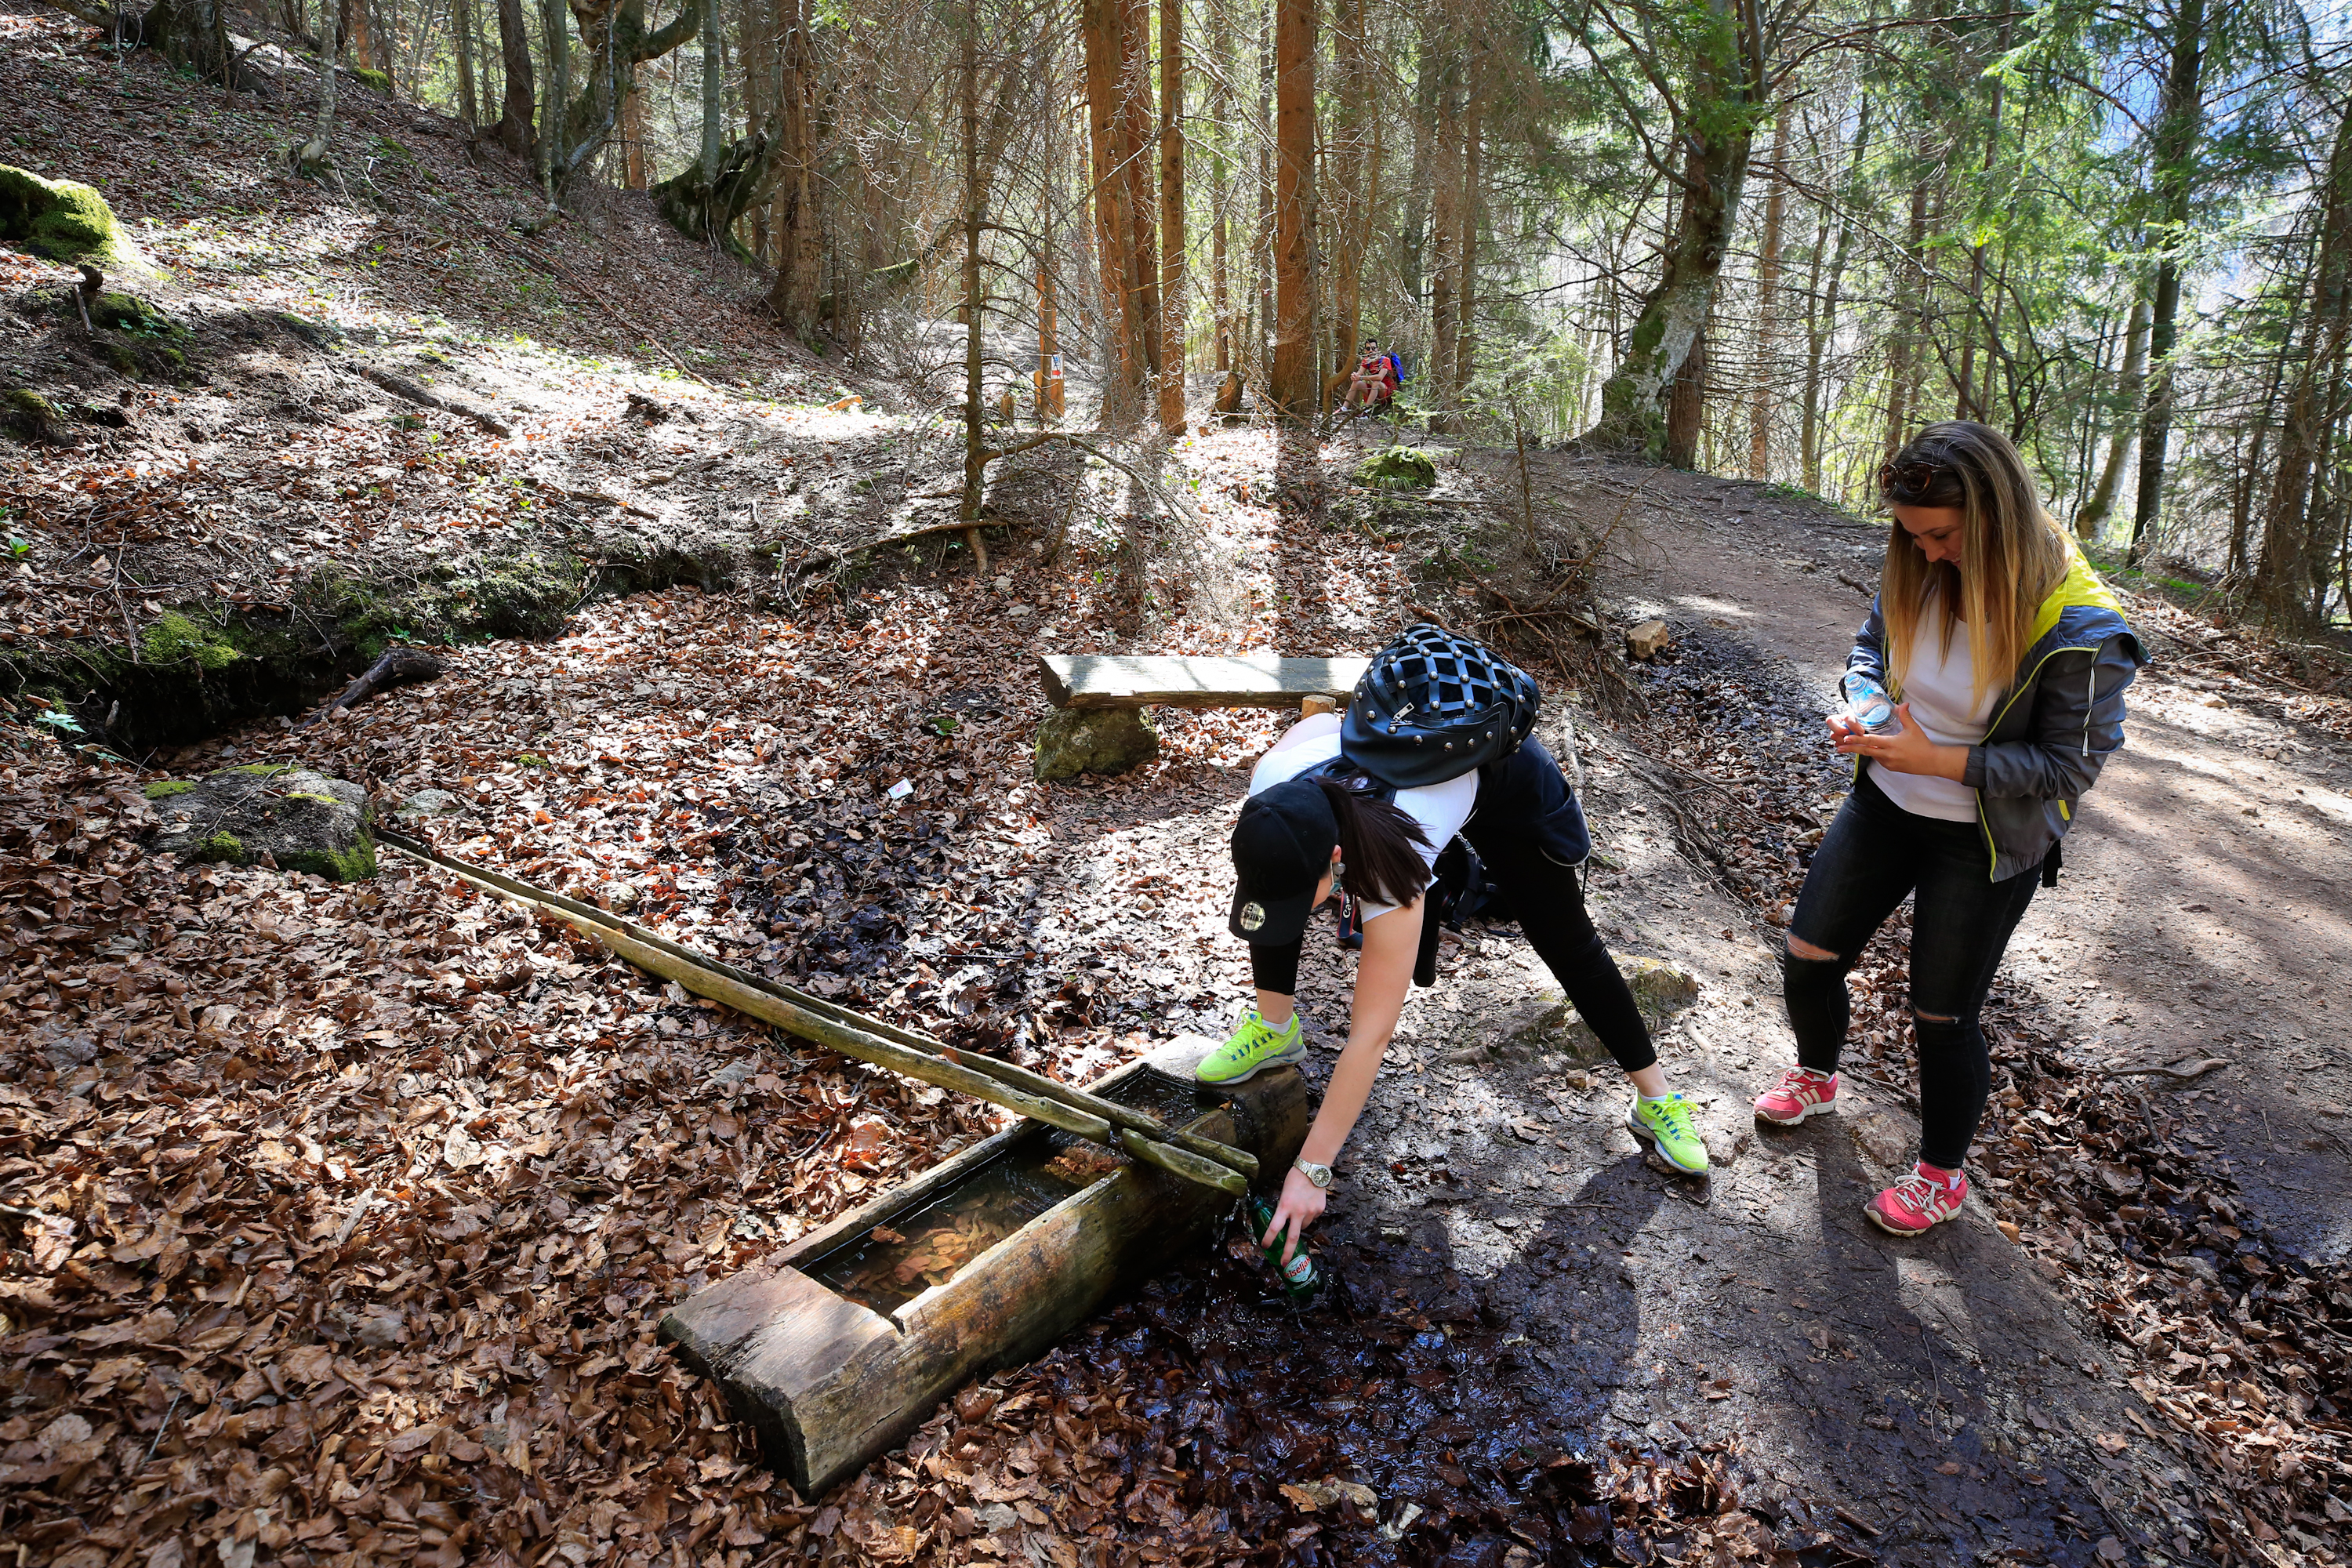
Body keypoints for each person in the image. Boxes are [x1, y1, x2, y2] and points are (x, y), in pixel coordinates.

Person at [1200, 630, 1711, 1267]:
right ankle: (1276, 1027)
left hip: (1508, 786)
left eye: (1320, 890)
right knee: (1279, 890)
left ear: (1339, 860)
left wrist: (1314, 1169)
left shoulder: (1395, 858)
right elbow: (1279, 871)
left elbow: (1371, 1036)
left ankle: (1658, 1100)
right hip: (1408, 779)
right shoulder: (1274, 785)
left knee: (1566, 942)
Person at [1752, 421, 2147, 1236]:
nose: (1925, 552)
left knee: (1942, 1014)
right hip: (1885, 801)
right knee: (1807, 953)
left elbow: (2068, 768)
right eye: (1911, 535)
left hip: (1985, 838)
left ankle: (1940, 1175)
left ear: (1997, 515)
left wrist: (1943, 760)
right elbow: (1869, 650)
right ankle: (1819, 1074)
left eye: (1940, 535)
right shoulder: (1918, 561)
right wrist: (1864, 703)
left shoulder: (2080, 624)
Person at [1344, 340, 1398, 413]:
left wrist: (1360, 378)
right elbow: (1359, 374)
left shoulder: (1385, 360)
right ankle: (1344, 408)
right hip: (1374, 391)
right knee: (1356, 383)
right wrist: (1355, 376)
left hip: (1387, 392)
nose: (1371, 351)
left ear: (1377, 349)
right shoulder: (1366, 361)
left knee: (1376, 382)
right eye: (1368, 349)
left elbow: (1379, 377)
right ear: (1365, 351)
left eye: (1373, 348)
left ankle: (1365, 411)